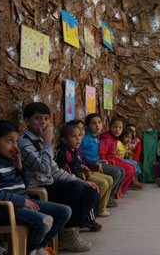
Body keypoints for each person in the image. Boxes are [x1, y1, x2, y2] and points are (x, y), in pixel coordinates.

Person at [18, 102, 98, 252]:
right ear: (27, 121)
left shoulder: (40, 141)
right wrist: (48, 144)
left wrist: (80, 180)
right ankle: (66, 233)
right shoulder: (24, 143)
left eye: (46, 118)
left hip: (50, 184)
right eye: (37, 118)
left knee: (89, 189)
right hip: (37, 189)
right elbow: (43, 168)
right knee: (75, 188)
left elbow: (54, 170)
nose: (43, 122)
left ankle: (66, 230)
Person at [0, 120, 70, 255]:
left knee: (64, 211)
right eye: (9, 141)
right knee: (45, 221)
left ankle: (37, 246)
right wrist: (21, 202)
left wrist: (20, 168)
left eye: (16, 141)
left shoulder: (11, 159)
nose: (15, 146)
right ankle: (30, 250)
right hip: (4, 209)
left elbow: (25, 186)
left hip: (24, 203)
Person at [55, 123, 102, 231]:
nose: (78, 139)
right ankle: (79, 223)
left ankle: (83, 219)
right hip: (66, 184)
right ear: (64, 140)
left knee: (92, 189)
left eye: (79, 136)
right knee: (83, 190)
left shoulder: (74, 152)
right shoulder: (62, 153)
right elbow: (59, 172)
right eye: (74, 136)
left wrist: (84, 168)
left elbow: (77, 163)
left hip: (76, 181)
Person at [67, 119, 114, 215]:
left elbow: (83, 159)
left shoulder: (78, 144)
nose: (81, 132)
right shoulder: (71, 146)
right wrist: (86, 167)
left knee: (109, 179)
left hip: (86, 169)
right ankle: (93, 208)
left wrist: (94, 164)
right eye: (78, 129)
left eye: (82, 129)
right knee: (103, 183)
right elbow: (77, 162)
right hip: (80, 174)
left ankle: (100, 208)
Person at [81, 113, 124, 207]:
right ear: (87, 126)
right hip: (91, 166)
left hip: (98, 162)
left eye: (99, 122)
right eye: (93, 123)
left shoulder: (97, 137)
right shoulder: (84, 138)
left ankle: (110, 195)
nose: (97, 125)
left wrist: (101, 160)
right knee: (116, 172)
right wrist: (95, 162)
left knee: (122, 170)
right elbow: (82, 156)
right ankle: (106, 198)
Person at [99, 116, 139, 195]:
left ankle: (121, 190)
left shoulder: (115, 138)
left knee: (132, 167)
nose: (117, 129)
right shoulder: (106, 138)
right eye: (114, 127)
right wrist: (105, 162)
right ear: (109, 127)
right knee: (128, 169)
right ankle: (116, 192)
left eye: (120, 128)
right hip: (107, 161)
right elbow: (102, 154)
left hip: (113, 158)